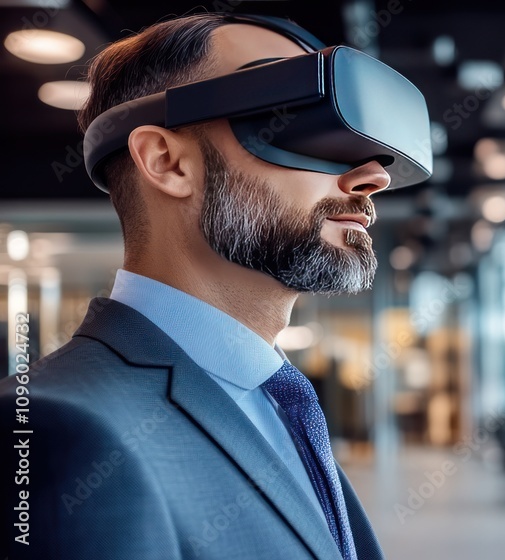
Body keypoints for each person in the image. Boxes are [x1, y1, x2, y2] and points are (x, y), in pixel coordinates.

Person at [0, 13, 405, 560]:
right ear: (166, 162)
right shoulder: (60, 433)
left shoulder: (277, 399)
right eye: (294, 121)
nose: (373, 176)